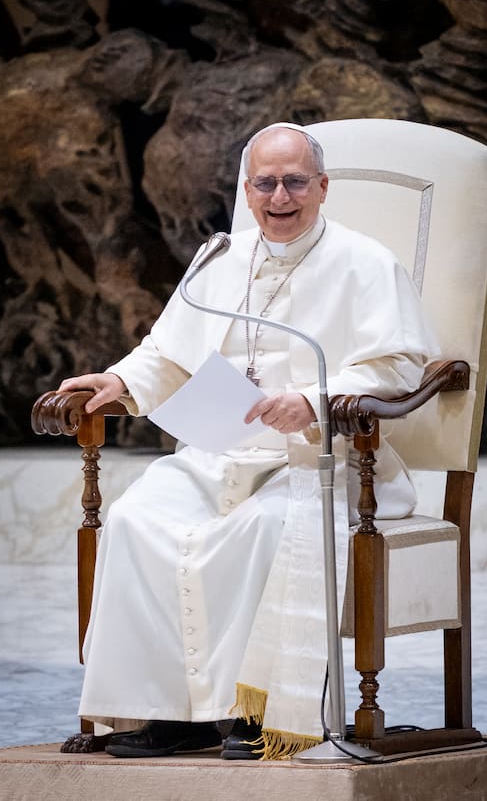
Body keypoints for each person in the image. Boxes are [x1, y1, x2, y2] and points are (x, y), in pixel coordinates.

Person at [57, 122, 439, 760]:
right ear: (247, 187)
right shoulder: (221, 259)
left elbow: (398, 365)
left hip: (322, 460)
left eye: (294, 182)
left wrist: (314, 401)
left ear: (322, 187)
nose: (279, 197)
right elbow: (169, 353)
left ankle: (264, 716)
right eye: (265, 183)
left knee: (267, 528)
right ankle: (172, 716)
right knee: (136, 518)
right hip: (221, 453)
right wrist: (120, 379)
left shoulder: (366, 263)